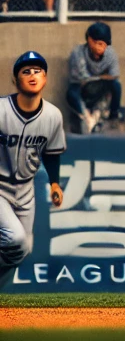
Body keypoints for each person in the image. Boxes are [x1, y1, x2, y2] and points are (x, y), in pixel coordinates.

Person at [0, 52, 65, 290]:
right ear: (16, 80)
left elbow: (51, 152)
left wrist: (55, 183)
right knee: (15, 239)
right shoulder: (1, 109)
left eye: (37, 70)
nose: (32, 75)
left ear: (45, 78)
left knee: (23, 250)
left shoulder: (52, 116)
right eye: (26, 71)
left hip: (25, 190)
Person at [65, 22, 124, 135]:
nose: (101, 48)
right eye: (97, 43)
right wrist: (103, 77)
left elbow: (114, 75)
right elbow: (83, 80)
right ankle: (87, 117)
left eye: (104, 44)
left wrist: (101, 78)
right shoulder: (78, 52)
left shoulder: (110, 54)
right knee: (72, 93)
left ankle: (112, 116)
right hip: (82, 88)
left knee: (116, 85)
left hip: (99, 86)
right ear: (90, 40)